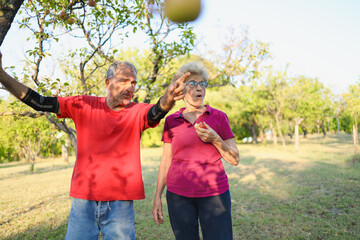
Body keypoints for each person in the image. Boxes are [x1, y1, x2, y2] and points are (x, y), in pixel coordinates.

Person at [0, 51, 190, 240]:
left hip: (120, 205)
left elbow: (157, 112)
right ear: (108, 83)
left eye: (133, 83)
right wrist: (2, 75)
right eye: (124, 81)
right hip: (84, 202)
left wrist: (170, 97)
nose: (130, 87)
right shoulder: (83, 104)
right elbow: (39, 102)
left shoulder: (137, 111)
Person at [152, 62, 240, 240]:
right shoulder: (171, 121)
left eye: (202, 84)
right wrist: (157, 197)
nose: (199, 88)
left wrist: (215, 138)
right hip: (178, 196)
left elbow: (235, 159)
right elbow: (166, 160)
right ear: (181, 88)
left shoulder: (219, 117)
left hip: (214, 194)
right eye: (192, 83)